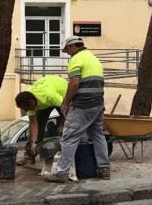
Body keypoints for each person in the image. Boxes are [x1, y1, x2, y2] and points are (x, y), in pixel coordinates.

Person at [44, 35, 111, 182]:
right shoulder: (94, 59)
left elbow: (74, 84)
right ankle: (104, 169)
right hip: (98, 104)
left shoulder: (76, 59)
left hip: (83, 105)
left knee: (69, 138)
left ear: (72, 47)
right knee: (98, 136)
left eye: (67, 50)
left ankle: (61, 173)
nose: (68, 54)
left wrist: (66, 103)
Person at [14, 75, 67, 164]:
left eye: (27, 109)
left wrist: (62, 124)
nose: (27, 111)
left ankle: (67, 156)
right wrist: (33, 142)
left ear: (31, 102)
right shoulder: (29, 100)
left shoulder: (50, 96)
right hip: (44, 97)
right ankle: (30, 155)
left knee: (65, 126)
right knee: (38, 127)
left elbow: (67, 111)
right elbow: (33, 123)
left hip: (62, 95)